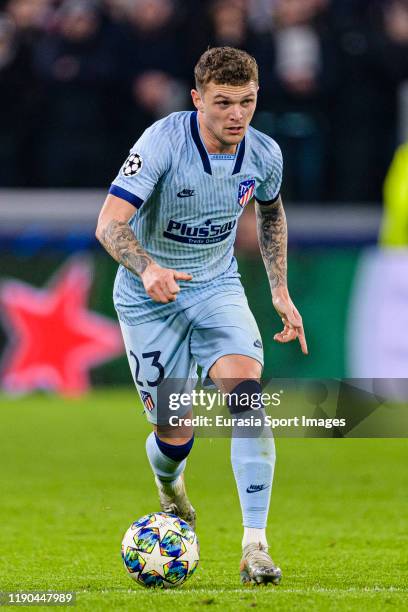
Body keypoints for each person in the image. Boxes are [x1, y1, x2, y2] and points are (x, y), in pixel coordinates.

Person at [96, 46, 307, 585]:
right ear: (197, 100)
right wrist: (146, 268)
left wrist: (279, 291)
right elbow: (110, 223)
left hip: (217, 288)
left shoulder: (263, 153)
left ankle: (255, 546)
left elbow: (271, 209)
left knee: (248, 398)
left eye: (247, 102)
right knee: (175, 434)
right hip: (150, 298)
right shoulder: (163, 141)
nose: (237, 115)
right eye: (223, 103)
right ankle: (171, 488)